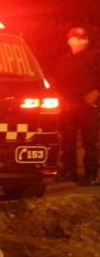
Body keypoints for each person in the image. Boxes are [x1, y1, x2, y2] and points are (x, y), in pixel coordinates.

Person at [53, 27, 100, 185]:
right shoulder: (66, 59)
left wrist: (96, 92)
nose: (82, 41)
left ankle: (91, 174)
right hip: (69, 105)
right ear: (70, 40)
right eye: (78, 38)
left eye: (84, 38)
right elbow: (58, 79)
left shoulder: (94, 56)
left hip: (87, 106)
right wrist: (59, 95)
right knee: (67, 141)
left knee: (89, 141)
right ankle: (69, 171)